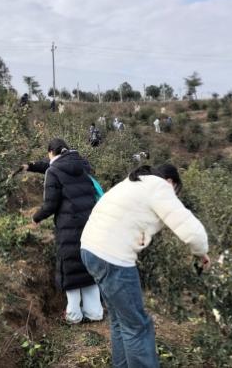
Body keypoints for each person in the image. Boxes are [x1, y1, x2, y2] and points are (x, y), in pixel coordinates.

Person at [80, 164, 210, 367]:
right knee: (137, 327)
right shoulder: (160, 186)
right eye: (175, 192)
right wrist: (202, 252)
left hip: (90, 250)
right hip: (112, 258)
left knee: (120, 321)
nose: (174, 196)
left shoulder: (133, 183)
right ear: (171, 182)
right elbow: (191, 230)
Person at [27, 139, 104, 324]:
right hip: (90, 223)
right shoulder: (82, 165)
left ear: (51, 152)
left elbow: (50, 204)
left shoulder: (54, 171)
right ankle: (94, 313)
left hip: (69, 227)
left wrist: (36, 217)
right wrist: (31, 166)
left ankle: (74, 315)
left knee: (70, 268)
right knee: (88, 267)